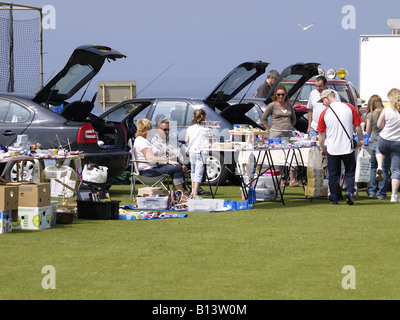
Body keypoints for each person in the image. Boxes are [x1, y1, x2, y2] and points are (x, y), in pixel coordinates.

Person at [317, 89, 364, 205]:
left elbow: (321, 134)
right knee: (350, 171)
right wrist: (361, 140)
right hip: (347, 146)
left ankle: (334, 198)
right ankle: (349, 191)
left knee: (333, 174)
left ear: (327, 98)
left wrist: (322, 148)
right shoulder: (349, 107)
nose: (323, 103)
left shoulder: (324, 113)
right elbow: (358, 126)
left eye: (323, 100)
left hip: (333, 148)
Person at [151, 117, 211, 196]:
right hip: (166, 163)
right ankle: (184, 188)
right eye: (165, 130)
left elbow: (182, 146)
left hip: (180, 160)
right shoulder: (154, 142)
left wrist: (189, 151)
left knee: (199, 159)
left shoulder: (171, 138)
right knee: (178, 166)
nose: (167, 132)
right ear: (158, 128)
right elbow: (162, 156)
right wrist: (180, 163)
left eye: (169, 130)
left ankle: (196, 188)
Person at [261, 85, 300, 187]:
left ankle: (292, 180)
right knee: (277, 157)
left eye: (282, 94)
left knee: (292, 155)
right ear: (275, 95)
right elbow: (263, 119)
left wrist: (289, 127)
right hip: (275, 133)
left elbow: (294, 119)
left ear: (285, 94)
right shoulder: (272, 105)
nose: (281, 96)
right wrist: (269, 130)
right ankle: (279, 179)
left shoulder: (289, 105)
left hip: (288, 133)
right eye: (278, 94)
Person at [133, 119, 184, 191]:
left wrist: (164, 151)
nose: (151, 131)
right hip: (149, 172)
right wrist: (167, 160)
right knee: (177, 167)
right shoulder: (142, 142)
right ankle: (180, 193)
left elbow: (152, 153)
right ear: (147, 129)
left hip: (151, 169)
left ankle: (177, 193)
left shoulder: (141, 140)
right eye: (150, 128)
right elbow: (150, 158)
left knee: (175, 165)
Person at [376, 88, 400, 202]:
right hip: (398, 142)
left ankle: (379, 166)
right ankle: (394, 195)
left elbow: (379, 125)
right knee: (396, 170)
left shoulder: (387, 109)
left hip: (385, 139)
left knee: (379, 151)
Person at [365, 95, 390, 200]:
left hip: (374, 141)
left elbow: (368, 131)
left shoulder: (370, 115)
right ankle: (381, 193)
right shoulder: (387, 113)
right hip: (385, 141)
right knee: (384, 168)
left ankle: (371, 190)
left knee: (373, 167)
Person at [185, 109, 207, 199]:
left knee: (193, 171)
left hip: (192, 151)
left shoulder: (190, 128)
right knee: (199, 172)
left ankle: (192, 192)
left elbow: (186, 140)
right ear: (203, 117)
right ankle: (195, 193)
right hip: (201, 151)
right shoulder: (204, 129)